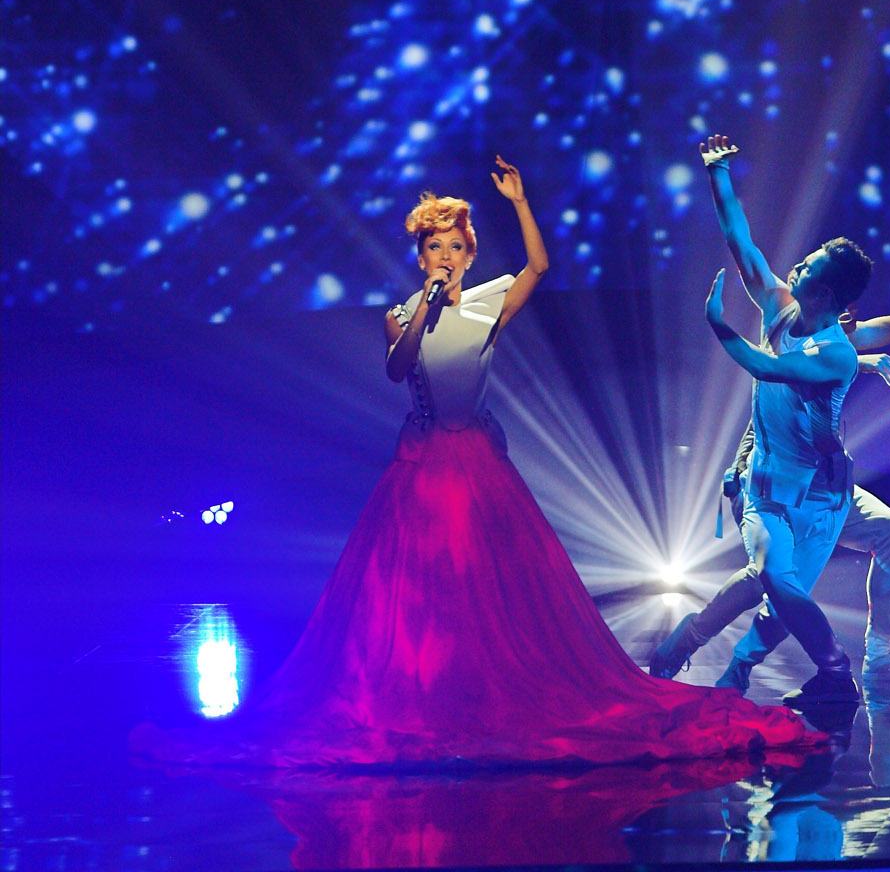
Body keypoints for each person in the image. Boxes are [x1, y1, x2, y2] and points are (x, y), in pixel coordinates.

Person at [132, 157, 817, 766]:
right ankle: (424, 692)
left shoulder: (489, 304)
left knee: (493, 587)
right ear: (421, 256)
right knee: (420, 591)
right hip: (423, 465)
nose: (445, 255)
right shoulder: (401, 313)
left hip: (480, 464)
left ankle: (489, 690)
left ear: (468, 254)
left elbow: (539, 268)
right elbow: (397, 369)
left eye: (455, 247)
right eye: (434, 246)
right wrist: (425, 309)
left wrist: (519, 203)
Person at [650, 312, 890, 693]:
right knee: (772, 582)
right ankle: (696, 642)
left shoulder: (837, 338)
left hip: (828, 491)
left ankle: (878, 652)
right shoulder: (790, 339)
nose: (849, 317)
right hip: (778, 489)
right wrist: (739, 465)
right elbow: (767, 410)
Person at [699, 133, 872, 706]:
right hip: (774, 482)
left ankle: (771, 672)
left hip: (821, 495)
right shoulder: (778, 305)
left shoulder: (837, 354)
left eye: (807, 266)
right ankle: (823, 673)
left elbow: (765, 368)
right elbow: (741, 243)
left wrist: (719, 324)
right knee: (775, 578)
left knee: (781, 590)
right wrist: (719, 174)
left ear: (824, 292)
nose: (793, 265)